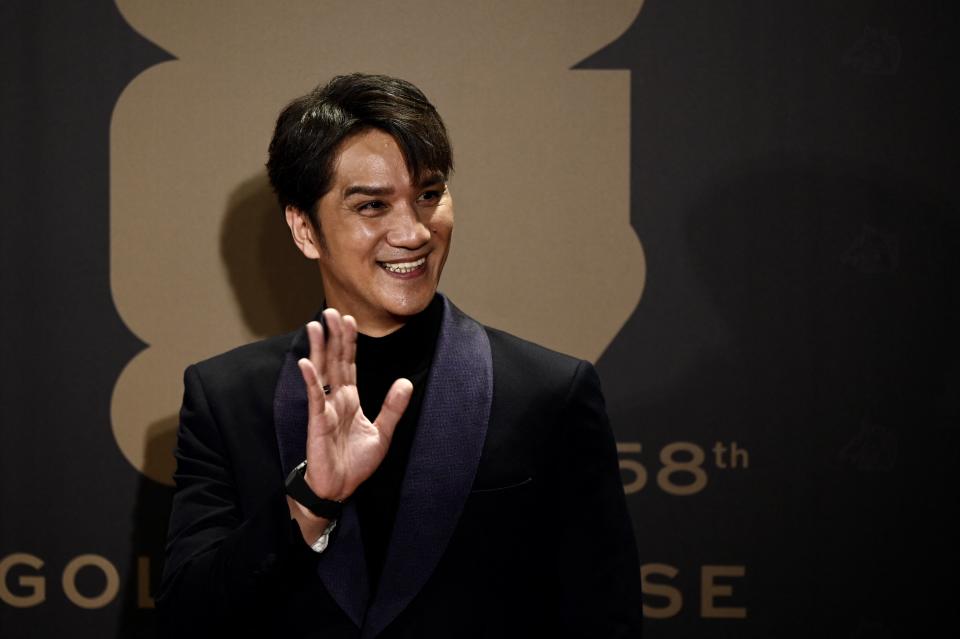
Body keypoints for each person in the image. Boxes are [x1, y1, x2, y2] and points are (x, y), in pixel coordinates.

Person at [157, 73, 642, 638]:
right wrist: (311, 498)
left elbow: (604, 619)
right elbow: (187, 619)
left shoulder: (548, 393)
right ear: (304, 229)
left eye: (430, 195)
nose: (413, 233)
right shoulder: (226, 398)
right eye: (372, 206)